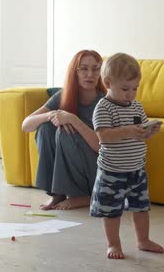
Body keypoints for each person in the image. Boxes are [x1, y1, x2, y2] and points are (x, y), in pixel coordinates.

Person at [90, 53, 164, 259]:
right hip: (112, 171)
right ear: (107, 83)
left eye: (135, 88)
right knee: (111, 211)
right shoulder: (103, 107)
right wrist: (128, 130)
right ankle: (113, 244)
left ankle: (143, 240)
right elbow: (103, 137)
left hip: (136, 170)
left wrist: (149, 131)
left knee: (141, 208)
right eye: (125, 89)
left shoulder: (137, 106)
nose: (130, 94)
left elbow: (139, 134)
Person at [22, 50, 106, 210]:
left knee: (66, 131)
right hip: (77, 164)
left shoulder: (104, 103)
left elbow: (103, 147)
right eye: (84, 68)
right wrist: (51, 115)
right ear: (75, 71)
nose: (90, 74)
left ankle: (83, 196)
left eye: (96, 69)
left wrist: (73, 120)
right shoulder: (64, 96)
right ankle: (57, 194)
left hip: (99, 170)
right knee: (45, 128)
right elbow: (26, 125)